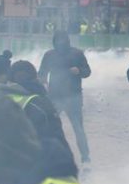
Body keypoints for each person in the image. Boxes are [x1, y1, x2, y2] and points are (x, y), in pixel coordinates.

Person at [38, 30, 92, 164]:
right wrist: (42, 80)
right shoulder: (49, 55)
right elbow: (41, 72)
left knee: (78, 129)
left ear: (67, 41)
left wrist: (79, 71)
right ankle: (47, 156)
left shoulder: (77, 53)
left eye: (62, 40)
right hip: (54, 97)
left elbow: (87, 71)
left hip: (74, 97)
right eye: (57, 40)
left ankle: (85, 158)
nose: (60, 43)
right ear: (54, 41)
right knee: (49, 127)